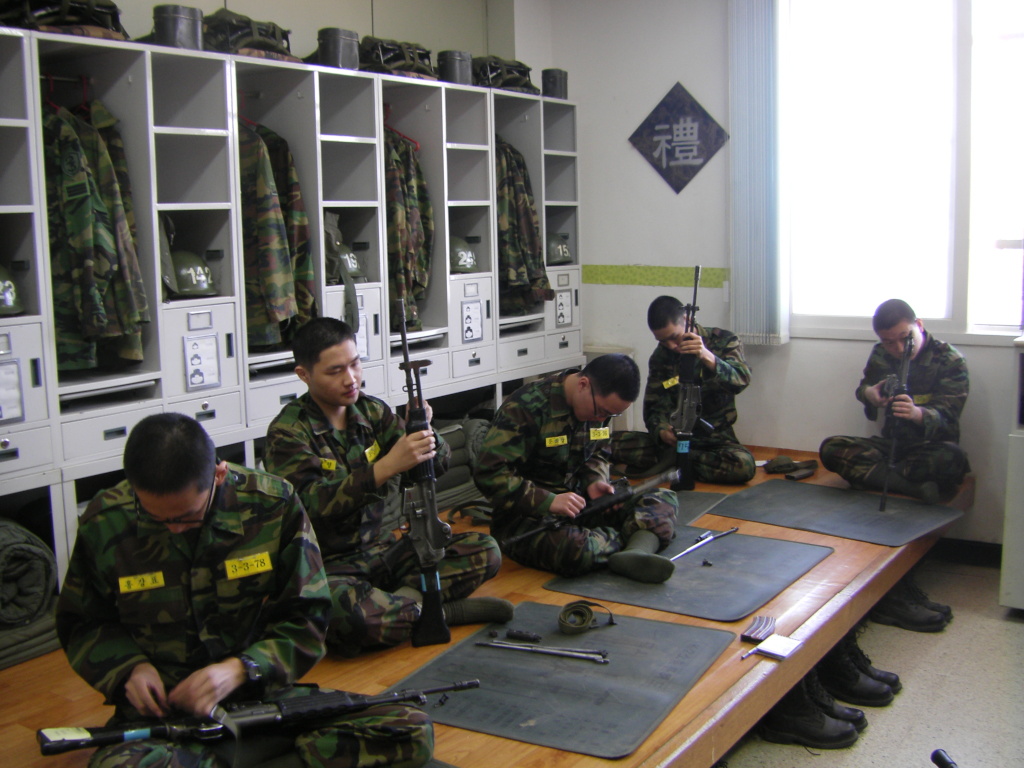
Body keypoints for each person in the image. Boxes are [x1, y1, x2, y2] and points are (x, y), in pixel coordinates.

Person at [56, 413, 434, 768]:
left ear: (219, 475)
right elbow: (83, 623)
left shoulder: (272, 504)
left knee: (408, 728)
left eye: (187, 517)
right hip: (164, 714)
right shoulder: (106, 520)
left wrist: (242, 669)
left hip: (260, 698)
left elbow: (308, 617)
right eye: (155, 517)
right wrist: (127, 669)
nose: (173, 529)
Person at [263, 317, 510, 657]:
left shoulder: (371, 411)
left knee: (485, 550)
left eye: (355, 364)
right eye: (335, 371)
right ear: (304, 375)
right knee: (349, 618)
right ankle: (436, 610)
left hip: (386, 552)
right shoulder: (288, 433)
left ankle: (402, 607)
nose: (351, 379)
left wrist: (424, 430)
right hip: (330, 567)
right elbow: (310, 505)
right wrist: (386, 467)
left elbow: (433, 468)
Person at [820, 298, 969, 631]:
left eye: (905, 338)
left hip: (930, 448)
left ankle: (884, 478)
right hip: (892, 447)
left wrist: (918, 414)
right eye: (889, 341)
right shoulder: (880, 354)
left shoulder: (950, 360)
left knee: (953, 460)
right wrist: (870, 396)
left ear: (920, 326)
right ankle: (909, 485)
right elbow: (864, 388)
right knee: (832, 448)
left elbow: (949, 417)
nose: (898, 348)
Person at [474, 353, 679, 584]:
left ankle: (633, 552)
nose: (601, 419)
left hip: (581, 504)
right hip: (527, 517)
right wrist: (549, 501)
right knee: (577, 549)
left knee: (663, 498)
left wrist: (595, 480)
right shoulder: (524, 407)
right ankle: (635, 541)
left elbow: (599, 451)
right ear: (583, 384)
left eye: (611, 415)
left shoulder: (597, 407)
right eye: (601, 412)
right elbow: (489, 473)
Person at [611, 295, 756, 484]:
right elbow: (654, 408)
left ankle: (678, 461)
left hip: (714, 442)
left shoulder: (724, 341)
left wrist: (706, 356)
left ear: (687, 320)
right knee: (606, 442)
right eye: (663, 341)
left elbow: (741, 380)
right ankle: (679, 461)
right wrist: (662, 431)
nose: (671, 346)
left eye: (674, 337)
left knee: (743, 466)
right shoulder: (661, 356)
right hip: (674, 441)